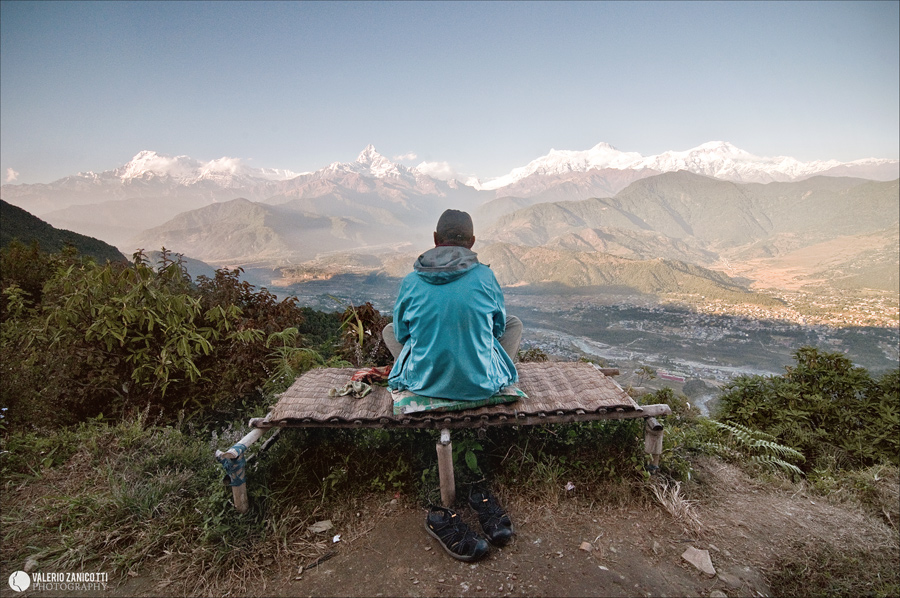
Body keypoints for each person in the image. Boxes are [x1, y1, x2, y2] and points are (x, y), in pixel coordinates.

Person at [382, 208, 519, 561]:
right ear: (472, 243)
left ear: (434, 240)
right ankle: (492, 375)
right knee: (515, 324)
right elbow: (499, 328)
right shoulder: (485, 277)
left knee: (387, 331)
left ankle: (421, 373)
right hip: (480, 384)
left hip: (424, 383)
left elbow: (400, 333)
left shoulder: (412, 281)